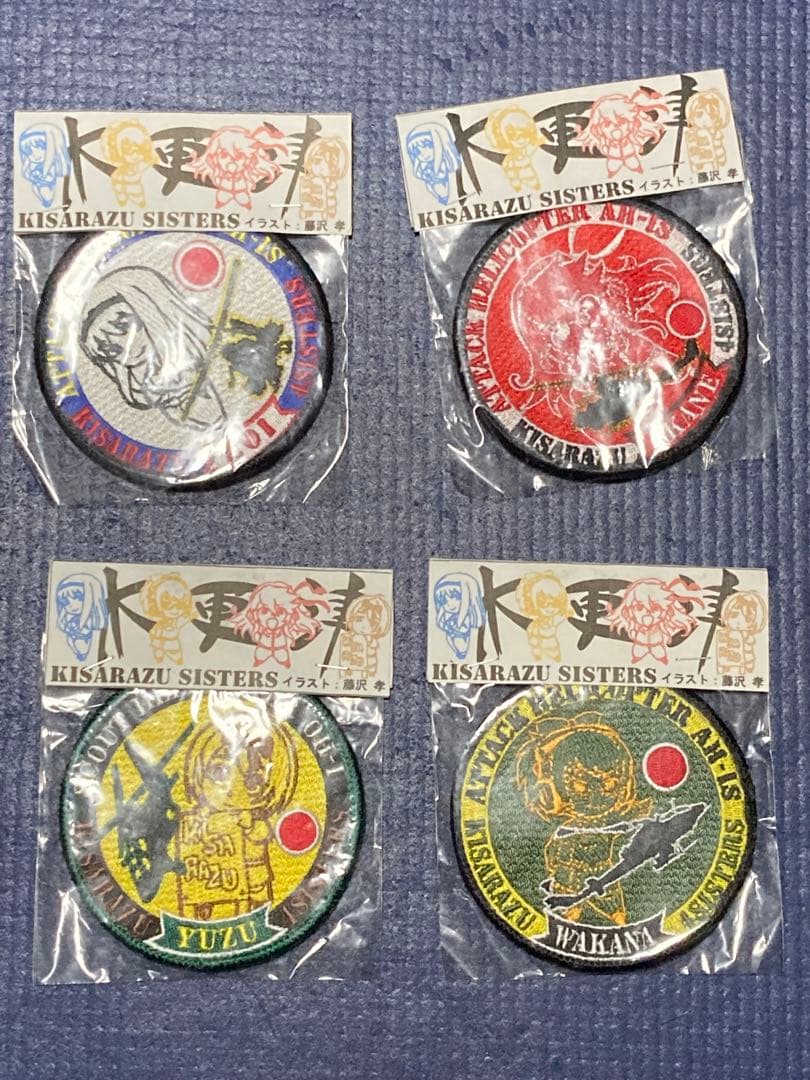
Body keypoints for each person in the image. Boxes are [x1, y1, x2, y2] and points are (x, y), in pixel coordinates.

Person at [54, 573, 108, 661]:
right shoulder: (68, 620)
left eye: (78, 598)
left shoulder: (94, 622)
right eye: (65, 602)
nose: (72, 605)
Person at [433, 572, 486, 660]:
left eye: (456, 597)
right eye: (444, 601)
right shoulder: (448, 619)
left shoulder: (467, 618)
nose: (450, 604)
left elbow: (465, 608)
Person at [18, 121, 71, 208]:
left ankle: (48, 201)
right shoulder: (32, 166)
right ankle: (47, 202)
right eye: (29, 152)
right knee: (37, 189)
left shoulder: (54, 166)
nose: (35, 155)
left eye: (40, 147)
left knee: (44, 191)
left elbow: (50, 175)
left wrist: (42, 176)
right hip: (41, 184)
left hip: (46, 184)